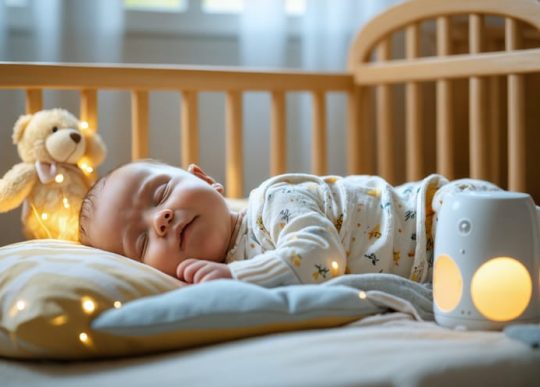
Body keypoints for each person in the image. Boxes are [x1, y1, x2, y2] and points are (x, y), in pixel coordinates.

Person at [79, 159, 499, 287]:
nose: (163, 219)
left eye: (160, 195)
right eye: (140, 241)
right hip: (443, 276)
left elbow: (321, 255)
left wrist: (235, 274)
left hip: (444, 216)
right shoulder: (214, 284)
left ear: (205, 179)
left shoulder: (271, 201)